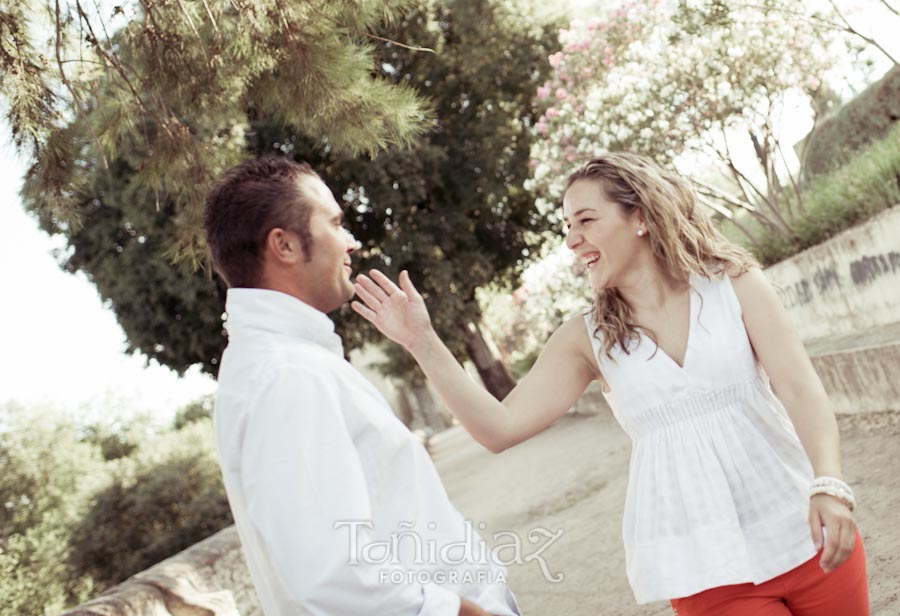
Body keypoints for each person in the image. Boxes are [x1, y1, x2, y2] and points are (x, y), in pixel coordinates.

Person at [351, 152, 870, 615]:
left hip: (806, 527)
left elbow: (800, 387)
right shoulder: (586, 339)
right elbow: (498, 428)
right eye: (567, 226)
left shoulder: (734, 285)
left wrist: (830, 485)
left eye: (586, 221)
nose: (572, 240)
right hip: (708, 565)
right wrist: (422, 341)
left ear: (639, 217)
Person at [204, 157, 518, 616]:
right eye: (334, 223)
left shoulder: (290, 364)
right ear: (285, 245)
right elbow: (335, 570)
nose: (351, 242)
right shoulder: (287, 375)